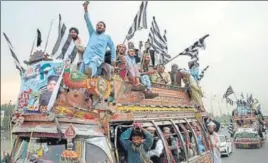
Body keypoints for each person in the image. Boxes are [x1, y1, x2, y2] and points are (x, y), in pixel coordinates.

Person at [80, 1, 116, 77]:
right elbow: (88, 22)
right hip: (86, 58)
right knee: (80, 74)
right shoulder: (92, 33)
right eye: (97, 25)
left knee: (92, 64)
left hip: (97, 58)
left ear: (104, 28)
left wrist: (113, 59)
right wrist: (85, 9)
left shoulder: (107, 37)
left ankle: (89, 74)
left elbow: (112, 47)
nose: (99, 26)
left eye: (101, 25)